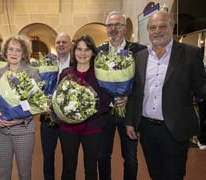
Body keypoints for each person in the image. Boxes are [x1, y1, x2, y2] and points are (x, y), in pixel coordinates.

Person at [125, 11, 206, 180]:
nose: (157, 31)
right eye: (153, 27)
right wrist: (130, 122)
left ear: (172, 27)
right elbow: (135, 93)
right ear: (148, 31)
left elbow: (201, 91)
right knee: (155, 173)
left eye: (162, 26)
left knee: (174, 175)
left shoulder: (191, 54)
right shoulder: (140, 57)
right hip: (147, 129)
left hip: (175, 130)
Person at [96, 11, 146, 180]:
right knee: (102, 155)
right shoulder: (99, 52)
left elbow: (141, 83)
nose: (113, 28)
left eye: (118, 24)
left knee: (130, 157)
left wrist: (128, 97)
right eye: (110, 25)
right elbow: (96, 83)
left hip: (129, 114)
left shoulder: (139, 51)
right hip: (105, 113)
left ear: (125, 28)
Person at [58, 35, 111, 180]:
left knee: (91, 168)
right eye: (79, 49)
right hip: (68, 128)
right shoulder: (66, 73)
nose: (82, 53)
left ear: (93, 52)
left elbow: (105, 101)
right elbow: (59, 98)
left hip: (93, 127)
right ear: (74, 52)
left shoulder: (100, 74)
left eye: (87, 49)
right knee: (68, 167)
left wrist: (84, 113)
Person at [0, 35, 39, 180]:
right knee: (3, 173)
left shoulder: (32, 73)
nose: (14, 53)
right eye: (11, 49)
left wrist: (19, 120)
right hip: (1, 130)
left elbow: (35, 103)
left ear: (24, 53)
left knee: (24, 173)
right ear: (5, 52)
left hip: (24, 130)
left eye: (18, 50)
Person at [40, 32, 72, 180]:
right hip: (47, 117)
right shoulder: (46, 63)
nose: (61, 45)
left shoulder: (76, 64)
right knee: (47, 154)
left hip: (68, 119)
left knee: (69, 155)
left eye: (64, 42)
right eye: (58, 42)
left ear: (70, 44)